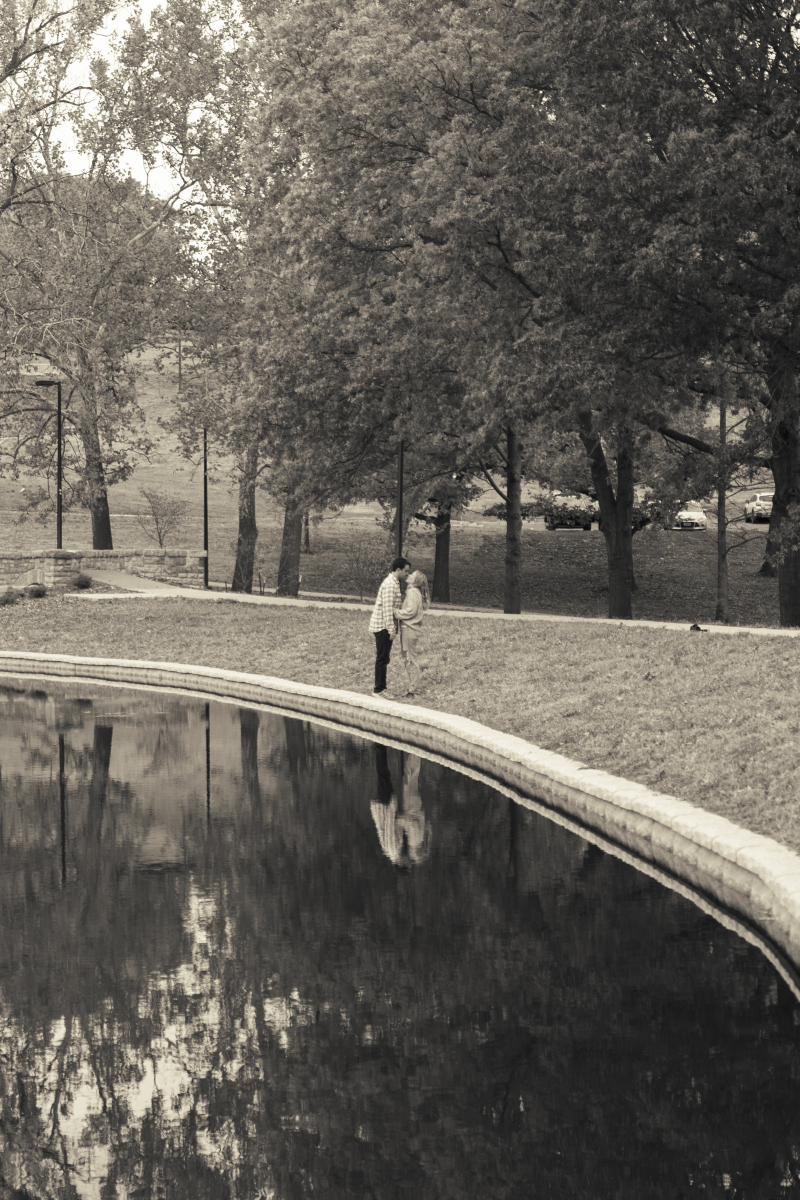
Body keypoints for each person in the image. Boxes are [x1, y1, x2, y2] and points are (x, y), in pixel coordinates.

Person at [368, 556, 410, 697]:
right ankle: (379, 690)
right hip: (383, 627)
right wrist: (391, 630)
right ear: (398, 570)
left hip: (385, 626)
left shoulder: (394, 583)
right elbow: (387, 610)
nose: (407, 574)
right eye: (406, 571)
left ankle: (380, 689)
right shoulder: (390, 585)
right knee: (382, 658)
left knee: (384, 657)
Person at [394, 569, 429, 696]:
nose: (409, 575)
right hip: (408, 628)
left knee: (410, 659)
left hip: (410, 629)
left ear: (415, 580)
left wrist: (396, 612)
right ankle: (411, 687)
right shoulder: (413, 591)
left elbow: (411, 611)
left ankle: (412, 689)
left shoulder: (413, 592)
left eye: (412, 575)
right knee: (408, 658)